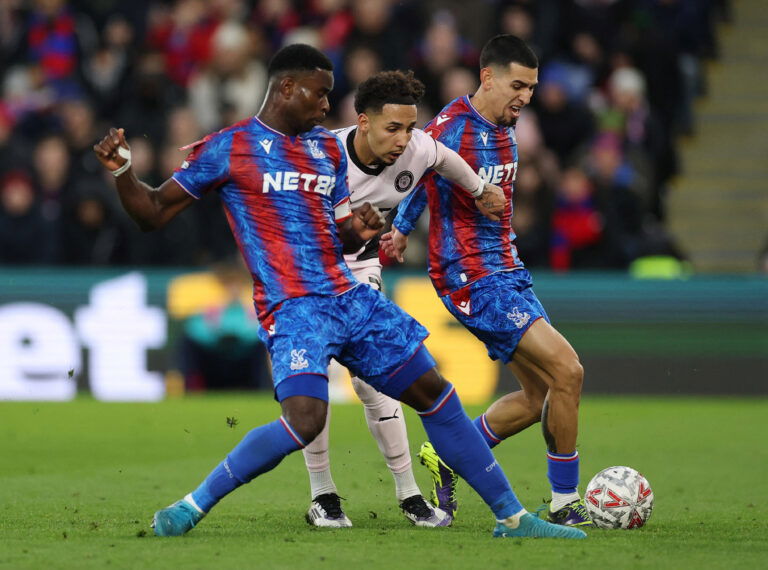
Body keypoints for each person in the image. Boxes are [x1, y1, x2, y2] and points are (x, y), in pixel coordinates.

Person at [93, 43, 586, 541]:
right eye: (320, 94)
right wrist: (121, 173)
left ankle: (512, 519)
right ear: (287, 88)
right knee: (305, 418)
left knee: (436, 395)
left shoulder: (324, 149)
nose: (327, 106)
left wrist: (362, 229)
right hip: (294, 306)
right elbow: (153, 212)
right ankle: (193, 506)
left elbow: (340, 231)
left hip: (349, 297)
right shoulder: (231, 147)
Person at [382, 34, 593, 528]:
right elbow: (420, 174)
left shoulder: (506, 126)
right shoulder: (452, 126)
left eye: (532, 88)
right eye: (517, 85)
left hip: (507, 269)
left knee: (539, 395)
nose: (525, 96)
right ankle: (566, 500)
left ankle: (448, 455)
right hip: (471, 276)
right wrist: (400, 229)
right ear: (488, 77)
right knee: (569, 370)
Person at [302, 69, 506, 528]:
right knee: (313, 382)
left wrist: (479, 190)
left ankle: (410, 494)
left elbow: (445, 159)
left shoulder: (418, 148)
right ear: (363, 122)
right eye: (393, 127)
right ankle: (323, 496)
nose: (404, 139)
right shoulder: (323, 155)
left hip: (359, 267)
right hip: (309, 271)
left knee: (373, 379)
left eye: (410, 126)